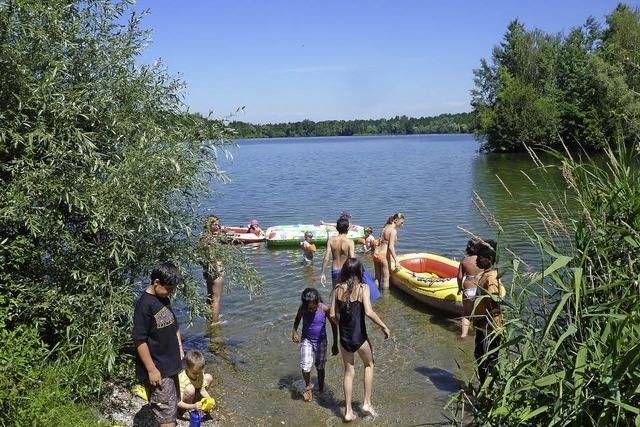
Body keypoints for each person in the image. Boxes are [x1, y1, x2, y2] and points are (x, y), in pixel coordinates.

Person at [330, 258, 390, 421]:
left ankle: (348, 412)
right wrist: (383, 326)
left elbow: (333, 314)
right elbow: (369, 312)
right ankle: (366, 403)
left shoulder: (337, 289)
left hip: (345, 338)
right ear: (359, 272)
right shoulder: (363, 288)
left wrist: (341, 325)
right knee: (369, 365)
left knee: (349, 372)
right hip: (360, 336)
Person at [133, 262, 184, 427]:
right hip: (158, 368)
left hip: (170, 365)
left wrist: (180, 349)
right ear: (156, 282)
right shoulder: (144, 305)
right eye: (169, 288)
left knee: (170, 407)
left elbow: (173, 325)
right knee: (167, 418)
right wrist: (151, 369)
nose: (171, 292)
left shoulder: (163, 298)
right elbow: (139, 340)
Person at [291, 288, 338, 401]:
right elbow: (297, 319)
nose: (310, 310)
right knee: (305, 365)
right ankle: (308, 387)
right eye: (308, 308)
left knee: (320, 367)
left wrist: (335, 343)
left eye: (313, 308)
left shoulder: (325, 309)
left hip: (321, 341)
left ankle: (321, 390)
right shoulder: (303, 309)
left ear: (318, 302)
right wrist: (294, 331)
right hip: (306, 339)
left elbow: (334, 326)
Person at [473, 241, 503, 385]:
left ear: (489, 259)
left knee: (488, 360)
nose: (476, 260)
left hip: (490, 329)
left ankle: (488, 391)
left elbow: (497, 306)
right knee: (480, 356)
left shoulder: (491, 278)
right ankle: (485, 389)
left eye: (480, 258)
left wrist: (480, 320)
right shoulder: (487, 274)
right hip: (483, 327)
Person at [199, 216, 225, 324]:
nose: (218, 226)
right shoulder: (214, 239)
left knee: (209, 296)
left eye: (219, 224)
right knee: (216, 299)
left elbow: (199, 255)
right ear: (210, 225)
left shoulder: (203, 238)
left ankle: (209, 318)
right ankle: (214, 323)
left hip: (207, 270)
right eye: (216, 224)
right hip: (216, 270)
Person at [457, 239, 483, 338]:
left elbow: (459, 277)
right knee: (480, 313)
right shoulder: (483, 259)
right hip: (480, 289)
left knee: (466, 313)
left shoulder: (465, 260)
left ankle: (463, 335)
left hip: (468, 289)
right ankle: (478, 334)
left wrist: (460, 288)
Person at [320, 216, 355, 287]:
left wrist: (323, 273)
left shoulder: (331, 240)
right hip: (346, 270)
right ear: (348, 229)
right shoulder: (350, 242)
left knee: (335, 292)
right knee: (347, 293)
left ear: (337, 228)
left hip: (335, 269)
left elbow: (326, 258)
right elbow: (352, 259)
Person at [373, 213, 404, 290]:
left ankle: (375, 294)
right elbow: (391, 246)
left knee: (377, 277)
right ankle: (385, 298)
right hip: (382, 256)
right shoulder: (393, 231)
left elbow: (380, 242)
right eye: (402, 222)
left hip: (376, 254)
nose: (402, 225)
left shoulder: (384, 228)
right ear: (396, 220)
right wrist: (396, 261)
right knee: (386, 278)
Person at [177, 350, 214, 414]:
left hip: (195, 389)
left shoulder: (199, 373)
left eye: (199, 372)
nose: (198, 375)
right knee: (190, 389)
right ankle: (189, 408)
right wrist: (193, 406)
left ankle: (199, 400)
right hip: (183, 398)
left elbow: (202, 390)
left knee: (208, 377)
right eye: (195, 373)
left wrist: (210, 400)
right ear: (187, 368)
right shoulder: (182, 380)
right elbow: (177, 402)